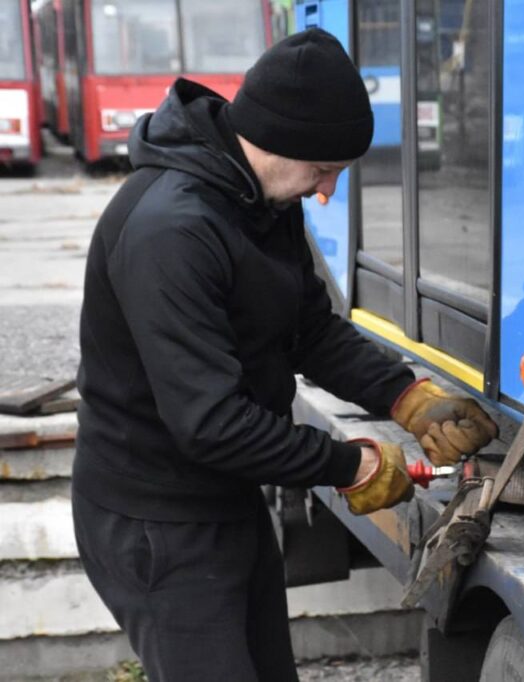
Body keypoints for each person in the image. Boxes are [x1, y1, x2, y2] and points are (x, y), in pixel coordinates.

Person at [71, 28, 497, 682]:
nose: (326, 192)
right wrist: (348, 464)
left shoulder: (262, 203)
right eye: (324, 171)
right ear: (281, 141)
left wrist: (404, 396)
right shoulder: (171, 231)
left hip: (227, 501)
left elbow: (309, 331)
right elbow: (209, 422)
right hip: (154, 523)